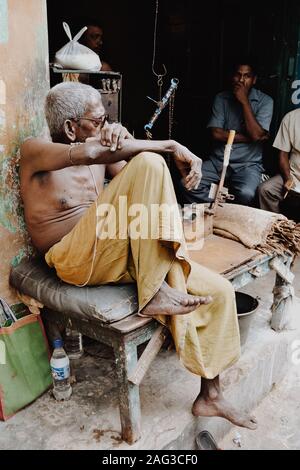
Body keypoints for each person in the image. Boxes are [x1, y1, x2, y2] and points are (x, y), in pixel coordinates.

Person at [20, 81, 257, 429]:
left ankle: (211, 394)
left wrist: (121, 136)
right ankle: (154, 292)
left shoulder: (99, 147)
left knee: (218, 290)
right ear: (70, 127)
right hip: (72, 260)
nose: (104, 126)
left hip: (112, 249)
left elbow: (132, 175)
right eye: (97, 121)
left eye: (105, 120)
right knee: (151, 161)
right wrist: (172, 145)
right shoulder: (35, 152)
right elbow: (93, 155)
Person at [177, 59, 274, 206]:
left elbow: (256, 134)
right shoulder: (222, 98)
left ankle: (225, 210)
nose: (241, 80)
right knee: (186, 184)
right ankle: (220, 209)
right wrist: (251, 138)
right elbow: (216, 133)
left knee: (246, 194)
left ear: (254, 80)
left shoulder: (265, 101)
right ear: (232, 77)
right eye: (238, 75)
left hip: (248, 165)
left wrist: (244, 102)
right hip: (218, 161)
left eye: (247, 76)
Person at [258, 108, 300, 214]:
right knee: (266, 190)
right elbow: (283, 154)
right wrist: (288, 178)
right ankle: (275, 226)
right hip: (294, 176)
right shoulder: (291, 117)